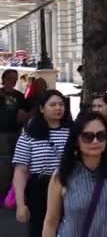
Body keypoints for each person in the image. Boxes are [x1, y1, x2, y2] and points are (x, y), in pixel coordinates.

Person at [42, 112, 107, 237]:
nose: (95, 141)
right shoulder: (63, 174)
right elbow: (51, 221)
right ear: (76, 140)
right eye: (87, 136)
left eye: (101, 136)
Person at [12, 90, 71, 237]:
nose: (58, 108)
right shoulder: (29, 134)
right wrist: (20, 204)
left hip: (68, 186)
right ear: (42, 108)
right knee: (40, 229)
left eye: (61, 104)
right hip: (39, 188)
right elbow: (20, 170)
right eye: (53, 105)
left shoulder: (73, 132)